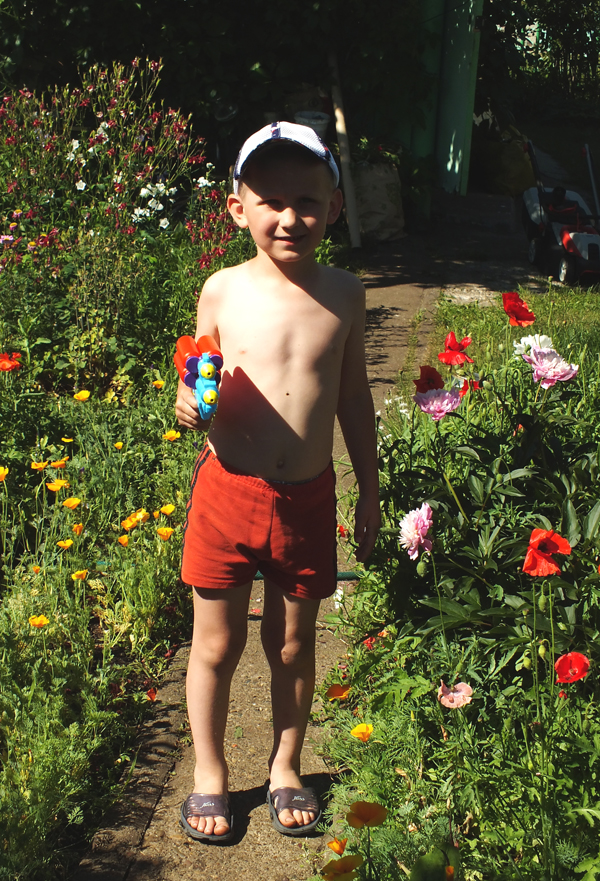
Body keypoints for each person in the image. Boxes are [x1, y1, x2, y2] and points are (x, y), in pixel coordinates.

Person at [175, 121, 380, 843]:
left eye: (308, 201)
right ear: (238, 208)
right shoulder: (222, 290)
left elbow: (353, 398)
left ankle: (286, 765)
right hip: (227, 493)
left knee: (293, 644)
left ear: (335, 207)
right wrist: (188, 401)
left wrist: (370, 492)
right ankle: (209, 773)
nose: (289, 217)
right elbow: (198, 374)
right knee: (215, 644)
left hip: (308, 500)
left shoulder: (345, 295)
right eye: (271, 201)